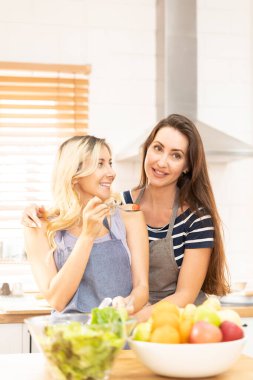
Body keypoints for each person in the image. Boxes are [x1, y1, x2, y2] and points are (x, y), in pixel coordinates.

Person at [22, 114, 230, 321]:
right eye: (157, 148)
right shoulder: (123, 203)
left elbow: (184, 295)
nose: (162, 161)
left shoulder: (193, 220)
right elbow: (57, 297)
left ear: (187, 166)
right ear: (147, 149)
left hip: (177, 320)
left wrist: (125, 320)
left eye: (176, 155)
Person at [24, 135, 149, 315]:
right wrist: (87, 236)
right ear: (74, 175)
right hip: (70, 337)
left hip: (118, 332)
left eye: (110, 163)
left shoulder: (130, 217)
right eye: (100, 164)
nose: (112, 173)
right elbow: (57, 300)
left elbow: (142, 287)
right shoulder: (39, 226)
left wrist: (125, 308)